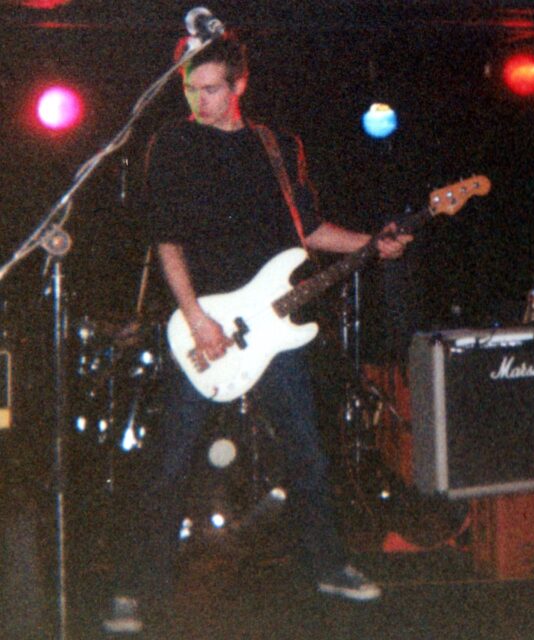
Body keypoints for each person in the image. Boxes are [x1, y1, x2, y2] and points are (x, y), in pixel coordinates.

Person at [103, 32, 410, 634]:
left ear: (240, 84)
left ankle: (329, 566)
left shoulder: (276, 146)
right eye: (191, 89)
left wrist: (372, 243)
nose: (200, 101)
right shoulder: (173, 143)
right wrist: (197, 317)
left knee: (307, 452)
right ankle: (135, 588)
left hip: (271, 328)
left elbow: (308, 230)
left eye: (212, 89)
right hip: (202, 323)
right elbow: (167, 239)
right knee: (171, 460)